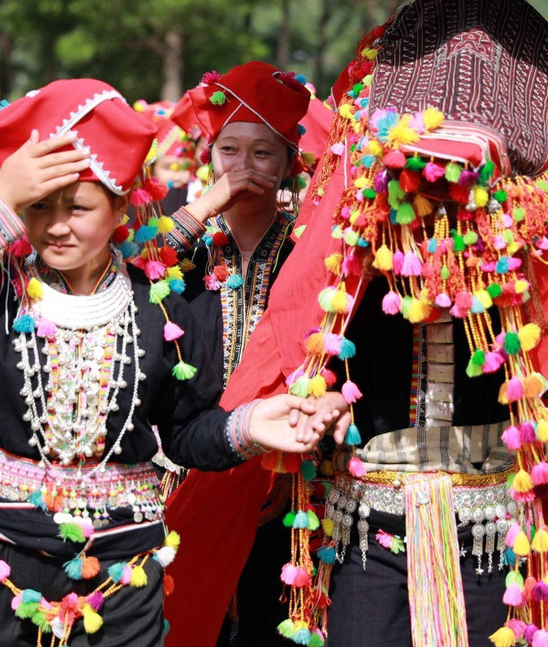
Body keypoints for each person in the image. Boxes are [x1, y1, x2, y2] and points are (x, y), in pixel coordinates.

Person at [163, 2, 548, 646]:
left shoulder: (531, 254)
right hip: (364, 518)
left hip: (489, 523)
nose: (439, 201)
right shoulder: (347, 252)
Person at [0, 78, 344, 647]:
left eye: (77, 207)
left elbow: (184, 432)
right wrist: (0, 198)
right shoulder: (2, 289)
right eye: (39, 207)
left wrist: (250, 424)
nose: (56, 226)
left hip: (125, 567)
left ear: (120, 206)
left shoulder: (160, 306)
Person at [164, 61, 318, 646]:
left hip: (283, 470)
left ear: (288, 163)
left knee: (263, 619)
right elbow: (129, 276)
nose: (244, 166)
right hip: (184, 458)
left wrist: (286, 469)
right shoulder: (187, 246)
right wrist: (202, 207)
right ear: (209, 159)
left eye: (262, 153)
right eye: (229, 149)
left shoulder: (306, 249)